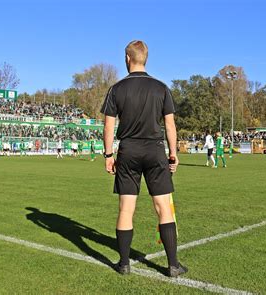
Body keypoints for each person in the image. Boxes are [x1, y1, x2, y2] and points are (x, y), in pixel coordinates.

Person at [101, 40, 187, 277]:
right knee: (163, 207)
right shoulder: (161, 88)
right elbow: (170, 125)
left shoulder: (116, 89)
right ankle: (173, 265)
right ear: (145, 59)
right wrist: (173, 153)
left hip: (128, 151)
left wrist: (109, 155)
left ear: (128, 58)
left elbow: (109, 126)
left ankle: (124, 264)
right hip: (154, 151)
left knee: (126, 209)